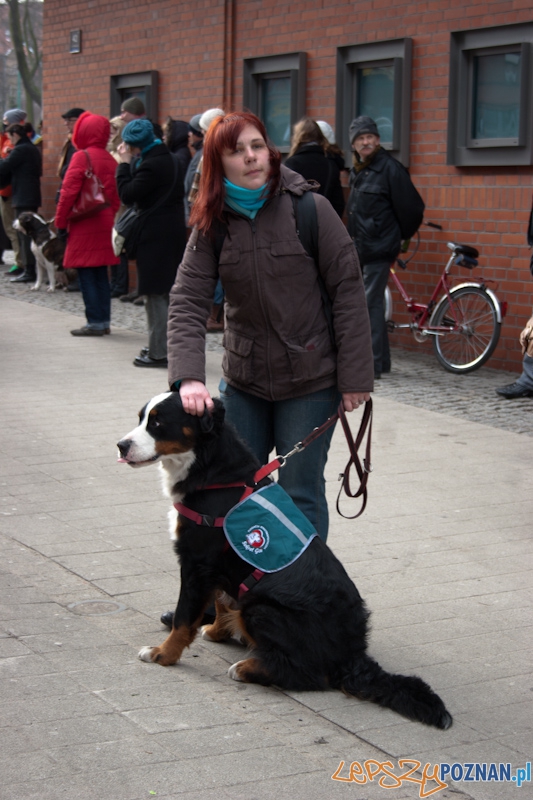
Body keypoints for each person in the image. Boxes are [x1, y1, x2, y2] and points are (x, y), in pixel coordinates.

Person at [167, 111, 373, 541]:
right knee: (235, 489)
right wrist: (188, 377)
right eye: (236, 151)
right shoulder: (212, 224)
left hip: (311, 381)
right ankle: (234, 596)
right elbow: (187, 300)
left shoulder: (310, 210)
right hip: (245, 383)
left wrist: (355, 378)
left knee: (300, 493)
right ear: (218, 163)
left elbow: (349, 296)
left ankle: (305, 601)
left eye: (257, 145)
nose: (251, 157)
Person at [347, 115, 425, 379]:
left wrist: (396, 237)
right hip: (362, 248)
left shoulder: (390, 169)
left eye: (369, 137)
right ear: (354, 145)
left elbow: (414, 209)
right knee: (372, 304)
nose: (365, 142)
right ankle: (381, 362)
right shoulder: (358, 170)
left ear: (378, 141)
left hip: (380, 248)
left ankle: (371, 365)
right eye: (360, 139)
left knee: (368, 304)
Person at [116, 118, 186, 367]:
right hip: (171, 234)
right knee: (164, 294)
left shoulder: (152, 165)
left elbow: (127, 194)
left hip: (155, 238)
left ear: (136, 145)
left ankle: (159, 353)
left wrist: (124, 166)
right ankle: (162, 346)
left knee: (154, 295)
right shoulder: (170, 159)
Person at [55, 112, 121, 336]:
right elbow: (116, 194)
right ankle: (104, 320)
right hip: (104, 221)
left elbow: (68, 193)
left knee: (86, 274)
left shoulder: (81, 156)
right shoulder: (110, 158)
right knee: (101, 274)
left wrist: (60, 222)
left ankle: (94, 322)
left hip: (85, 222)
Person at [0, 120, 41, 285]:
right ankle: (29, 268)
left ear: (15, 134)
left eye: (10, 136)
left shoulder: (22, 149)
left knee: (24, 234)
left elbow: (4, 166)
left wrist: (5, 156)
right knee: (26, 234)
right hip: (27, 195)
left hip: (24, 196)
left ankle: (29, 269)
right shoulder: (29, 148)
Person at [285, 117, 345, 217]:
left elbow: (284, 203)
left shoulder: (292, 163)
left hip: (297, 226)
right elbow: (338, 203)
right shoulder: (331, 165)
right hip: (325, 225)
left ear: (298, 137)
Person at [0, 108, 26, 275]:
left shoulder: (15, 144)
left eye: (6, 122)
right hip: (6, 190)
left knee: (13, 228)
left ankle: (20, 262)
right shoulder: (6, 140)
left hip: (9, 191)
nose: (4, 125)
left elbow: (5, 165)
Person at [106, 116, 129, 298]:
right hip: (111, 203)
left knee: (119, 245)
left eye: (114, 131)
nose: (110, 135)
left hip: (119, 205)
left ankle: (120, 284)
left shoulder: (122, 152)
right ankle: (115, 282)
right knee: (113, 244)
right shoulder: (110, 151)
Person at [57, 107, 85, 202]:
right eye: (65, 120)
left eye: (70, 120)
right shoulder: (70, 141)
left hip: (76, 190)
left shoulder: (81, 142)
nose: (66, 123)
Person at [183, 114, 203, 226]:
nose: (189, 134)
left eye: (191, 131)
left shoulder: (202, 155)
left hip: (196, 218)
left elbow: (192, 186)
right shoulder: (198, 154)